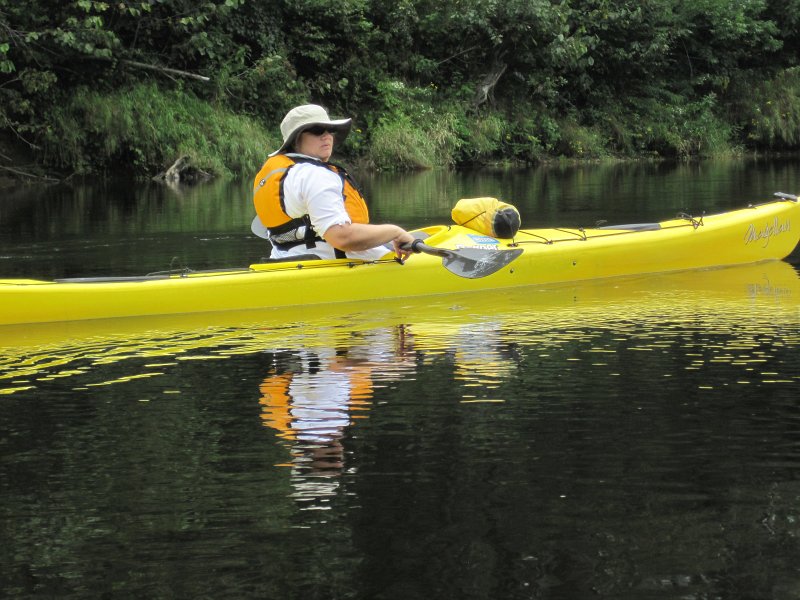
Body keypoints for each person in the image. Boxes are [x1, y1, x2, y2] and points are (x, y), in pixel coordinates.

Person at [253, 104, 416, 261]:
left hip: (283, 260)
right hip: (329, 264)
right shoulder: (315, 174)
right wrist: (395, 232)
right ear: (295, 140)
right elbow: (342, 237)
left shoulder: (277, 174)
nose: (326, 136)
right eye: (317, 130)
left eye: (330, 130)